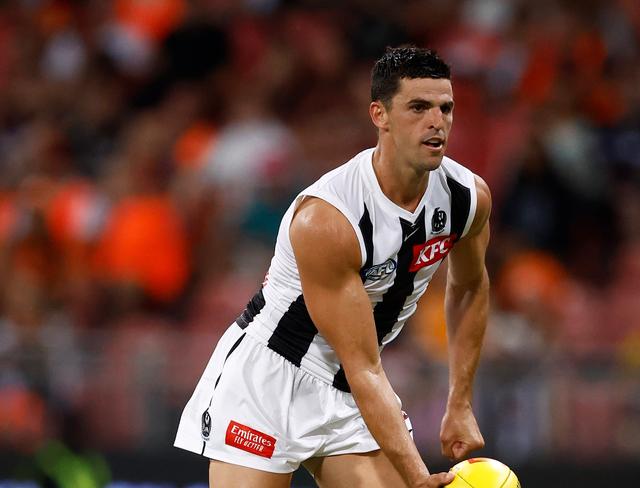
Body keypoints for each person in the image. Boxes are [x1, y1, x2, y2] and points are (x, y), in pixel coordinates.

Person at [175, 46, 490, 488]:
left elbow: (470, 287)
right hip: (268, 382)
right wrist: (419, 478)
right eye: (418, 107)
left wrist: (459, 402)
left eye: (445, 108)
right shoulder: (329, 219)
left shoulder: (467, 197)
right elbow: (363, 366)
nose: (436, 121)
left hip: (354, 386)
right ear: (379, 115)